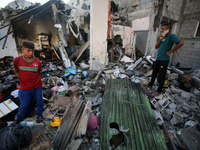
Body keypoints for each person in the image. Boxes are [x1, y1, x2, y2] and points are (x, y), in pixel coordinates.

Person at [148, 23, 184, 96]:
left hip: (164, 60)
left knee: (161, 75)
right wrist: (160, 39)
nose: (161, 30)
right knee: (154, 72)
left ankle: (159, 91)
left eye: (162, 29)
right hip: (158, 58)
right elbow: (156, 47)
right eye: (161, 29)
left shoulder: (171, 36)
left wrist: (170, 51)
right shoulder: (162, 36)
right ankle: (150, 84)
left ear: (168, 29)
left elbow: (180, 43)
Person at [12, 41, 44, 124]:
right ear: (22, 50)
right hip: (24, 88)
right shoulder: (17, 60)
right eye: (28, 50)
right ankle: (19, 118)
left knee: (39, 102)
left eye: (32, 51)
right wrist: (20, 78)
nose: (31, 53)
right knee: (24, 105)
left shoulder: (37, 61)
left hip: (37, 86)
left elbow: (39, 72)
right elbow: (16, 69)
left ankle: (40, 115)